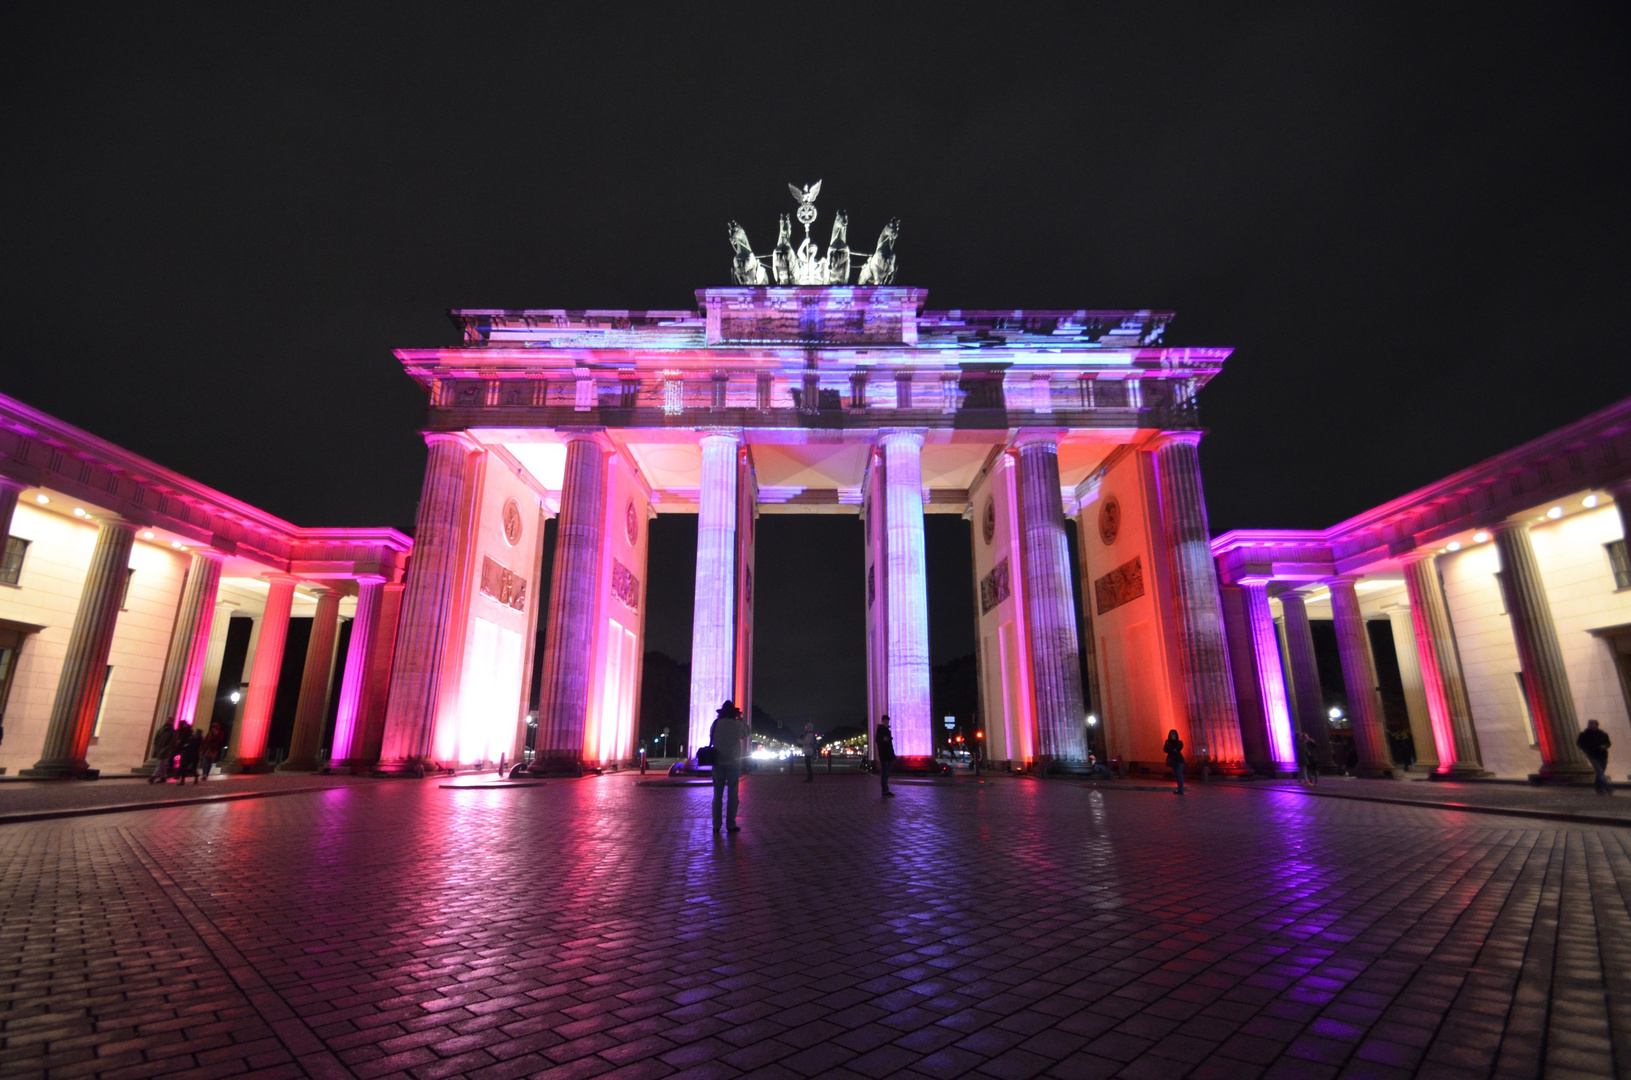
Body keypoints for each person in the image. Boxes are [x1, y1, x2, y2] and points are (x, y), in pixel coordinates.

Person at [710, 700, 748, 833]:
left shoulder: (716, 724)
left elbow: (712, 738)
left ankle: (716, 825)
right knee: (732, 794)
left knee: (717, 795)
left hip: (718, 762)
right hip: (733, 762)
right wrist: (741, 718)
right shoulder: (737, 724)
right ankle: (730, 824)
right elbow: (746, 733)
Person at [1578, 719, 1613, 796]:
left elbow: (1608, 743)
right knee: (1599, 771)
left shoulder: (1603, 734)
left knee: (1600, 772)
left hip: (1602, 755)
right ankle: (1607, 787)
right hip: (1592, 755)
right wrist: (1586, 750)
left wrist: (1605, 746)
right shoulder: (1584, 735)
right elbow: (1579, 743)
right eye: (1589, 724)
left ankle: (1598, 788)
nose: (1590, 726)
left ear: (1596, 725)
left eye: (1592, 724)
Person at [876, 714, 897, 797]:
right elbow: (879, 740)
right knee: (885, 773)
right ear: (882, 721)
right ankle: (885, 790)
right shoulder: (882, 730)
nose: (886, 723)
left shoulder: (885, 730)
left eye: (887, 722)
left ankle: (885, 789)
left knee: (886, 773)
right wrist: (885, 740)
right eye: (885, 722)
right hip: (885, 755)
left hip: (887, 754)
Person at [1163, 729, 1186, 794]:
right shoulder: (1167, 742)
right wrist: (1172, 749)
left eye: (1174, 734)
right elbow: (1165, 749)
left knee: (1179, 774)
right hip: (1172, 760)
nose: (1173, 735)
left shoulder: (1179, 742)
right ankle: (1179, 789)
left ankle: (1180, 790)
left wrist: (1174, 744)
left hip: (1179, 760)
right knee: (1176, 775)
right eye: (1171, 734)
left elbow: (1179, 748)